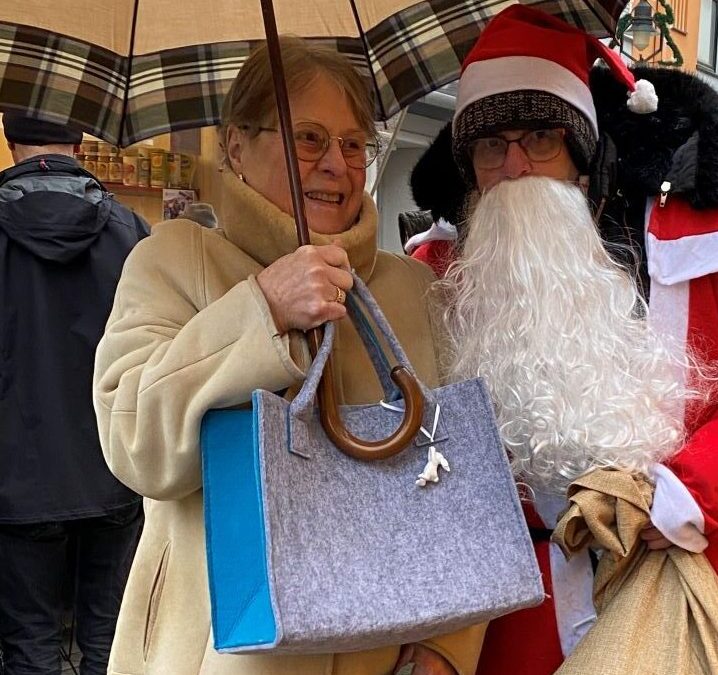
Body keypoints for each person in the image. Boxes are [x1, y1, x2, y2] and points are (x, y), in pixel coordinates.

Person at [408, 8, 718, 675]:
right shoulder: (438, 275)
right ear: (468, 161)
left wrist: (677, 495)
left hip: (690, 580)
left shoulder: (712, 244)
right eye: (491, 144)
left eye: (540, 136)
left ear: (584, 151)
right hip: (506, 619)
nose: (516, 164)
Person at [92, 39, 483, 674]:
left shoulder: (411, 290)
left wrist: (449, 645)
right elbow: (136, 446)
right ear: (236, 147)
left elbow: (457, 475)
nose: (337, 164)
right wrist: (262, 311)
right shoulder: (173, 261)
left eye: (354, 144)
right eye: (308, 138)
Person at [0, 114, 148, 674]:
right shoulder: (130, 231)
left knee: (29, 645)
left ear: (10, 139)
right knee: (112, 639)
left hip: (16, 477)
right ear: (81, 142)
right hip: (115, 465)